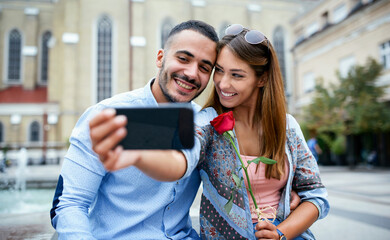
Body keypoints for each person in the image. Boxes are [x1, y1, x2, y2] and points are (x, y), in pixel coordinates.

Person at [100, 24, 329, 240]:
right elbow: (178, 161)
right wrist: (137, 146)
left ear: (262, 78)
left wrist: (279, 233)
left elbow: (315, 196)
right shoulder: (208, 122)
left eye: (236, 75)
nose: (222, 83)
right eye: (219, 71)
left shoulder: (287, 126)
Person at [50, 20, 219, 239]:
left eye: (204, 68)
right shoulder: (106, 115)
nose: (191, 73)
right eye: (183, 58)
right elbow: (69, 204)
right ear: (160, 58)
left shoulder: (205, 122)